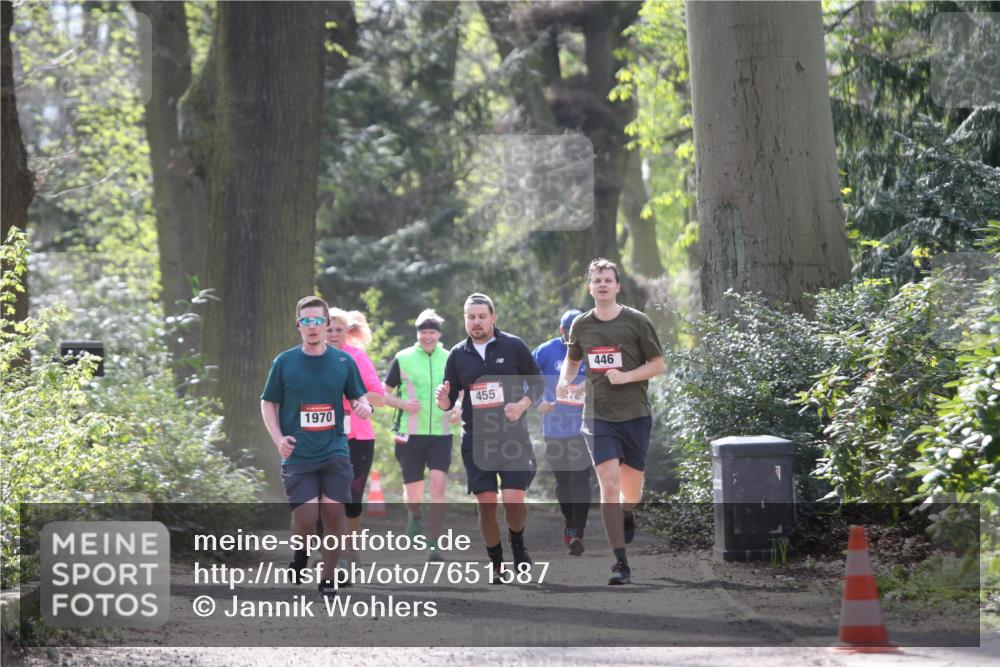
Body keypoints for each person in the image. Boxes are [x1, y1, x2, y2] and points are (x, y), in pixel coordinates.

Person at [557, 259, 664, 585]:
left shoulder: (637, 322)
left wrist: (627, 376)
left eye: (607, 280)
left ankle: (627, 513)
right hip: (597, 416)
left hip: (634, 415)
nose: (602, 284)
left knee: (630, 493)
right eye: (596, 280)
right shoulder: (581, 326)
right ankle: (620, 563)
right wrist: (564, 380)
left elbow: (658, 364)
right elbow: (572, 361)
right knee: (608, 484)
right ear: (590, 288)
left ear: (617, 286)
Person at [260, 296, 373, 598]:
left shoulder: (343, 361)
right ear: (298, 325)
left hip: (335, 448)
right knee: (306, 519)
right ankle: (301, 551)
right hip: (298, 452)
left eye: (317, 321)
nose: (312, 326)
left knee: (334, 514)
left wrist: (364, 408)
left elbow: (359, 396)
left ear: (326, 324)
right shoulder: (284, 362)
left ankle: (328, 578)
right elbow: (268, 403)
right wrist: (279, 439)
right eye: (306, 321)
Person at [435, 293, 544, 582]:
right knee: (486, 504)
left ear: (493, 317)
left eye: (482, 316)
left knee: (513, 501)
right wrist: (444, 400)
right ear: (465, 320)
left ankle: (518, 544)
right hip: (476, 439)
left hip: (512, 437)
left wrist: (521, 405)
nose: (476, 322)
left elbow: (537, 383)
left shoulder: (514, 346)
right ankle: (496, 563)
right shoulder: (457, 354)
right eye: (471, 317)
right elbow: (448, 401)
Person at [383, 309, 453, 561]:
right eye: (423, 331)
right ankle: (414, 516)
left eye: (432, 331)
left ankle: (434, 542)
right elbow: (384, 393)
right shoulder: (403, 358)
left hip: (441, 433)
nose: (427, 336)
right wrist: (403, 404)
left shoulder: (450, 357)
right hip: (409, 433)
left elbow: (463, 390)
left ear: (439, 334)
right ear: (417, 334)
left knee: (438, 484)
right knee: (413, 492)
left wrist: (458, 408)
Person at [326, 309, 386, 567]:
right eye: (329, 329)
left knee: (351, 497)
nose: (334, 334)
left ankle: (351, 551)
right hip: (322, 435)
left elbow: (379, 396)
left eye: (339, 330)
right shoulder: (310, 358)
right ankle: (330, 551)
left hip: (358, 437)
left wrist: (355, 396)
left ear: (347, 333)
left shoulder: (357, 358)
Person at [533, 308, 593, 556]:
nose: (575, 336)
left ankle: (578, 533)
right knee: (563, 482)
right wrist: (538, 401)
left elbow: (608, 378)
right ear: (562, 331)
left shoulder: (593, 350)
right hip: (555, 427)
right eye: (570, 331)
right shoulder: (545, 351)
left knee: (580, 478)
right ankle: (569, 522)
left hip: (584, 425)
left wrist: (586, 385)